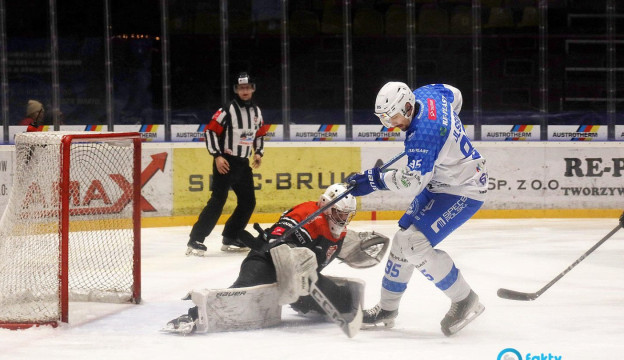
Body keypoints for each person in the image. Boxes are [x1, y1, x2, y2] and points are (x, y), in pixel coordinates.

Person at [347, 82, 488, 336]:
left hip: (463, 188)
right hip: (442, 180)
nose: (390, 126)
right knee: (402, 241)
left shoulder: (423, 136)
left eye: (393, 118)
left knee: (413, 244)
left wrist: (374, 180)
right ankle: (388, 310)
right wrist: (449, 129)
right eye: (385, 120)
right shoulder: (428, 93)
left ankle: (465, 299)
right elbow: (456, 94)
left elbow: (412, 182)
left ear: (408, 106)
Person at [165, 183, 390, 335]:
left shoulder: (339, 231)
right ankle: (193, 316)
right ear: (325, 207)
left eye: (347, 215)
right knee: (242, 294)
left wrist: (353, 246)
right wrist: (295, 252)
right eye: (340, 214)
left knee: (342, 301)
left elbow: (330, 248)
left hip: (298, 280)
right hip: (266, 261)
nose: (344, 219)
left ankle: (302, 302)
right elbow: (275, 238)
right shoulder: (305, 214)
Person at [187, 72, 269, 256]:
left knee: (248, 201)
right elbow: (210, 132)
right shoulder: (227, 110)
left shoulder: (256, 111)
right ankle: (195, 240)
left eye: (248, 87)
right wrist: (217, 155)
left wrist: (258, 153)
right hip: (226, 162)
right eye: (241, 88)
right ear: (236, 90)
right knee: (218, 201)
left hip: (243, 163)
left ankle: (230, 236)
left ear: (253, 89)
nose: (245, 91)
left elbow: (260, 134)